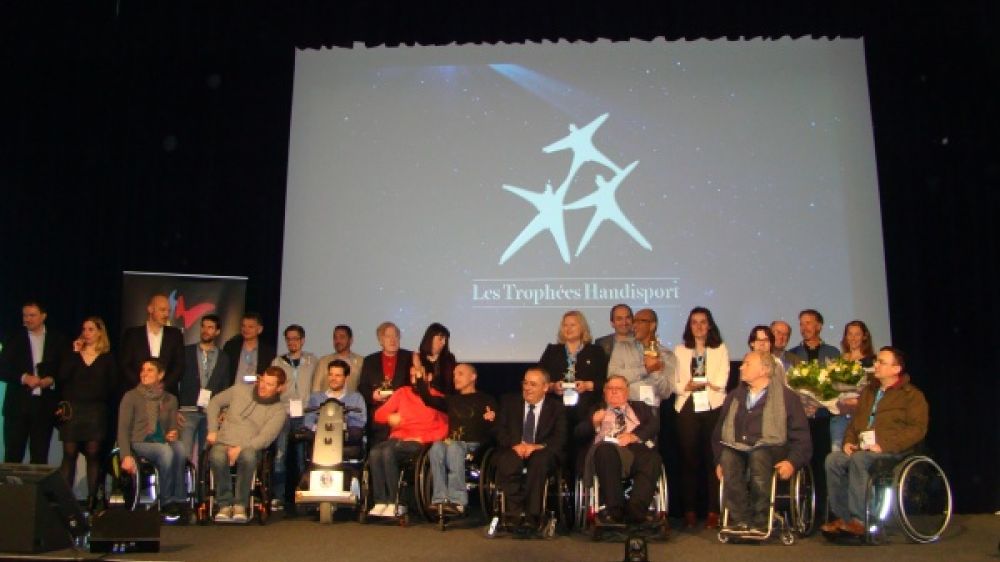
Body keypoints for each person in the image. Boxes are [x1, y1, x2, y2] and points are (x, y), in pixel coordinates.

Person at [822, 346, 928, 538]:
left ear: (896, 369)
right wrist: (848, 442)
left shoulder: (912, 396)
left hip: (893, 450)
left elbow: (917, 430)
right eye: (876, 361)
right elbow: (855, 424)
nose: (875, 365)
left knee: (860, 459)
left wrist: (884, 445)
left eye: (881, 362)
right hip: (864, 448)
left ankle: (860, 520)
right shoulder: (869, 392)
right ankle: (843, 518)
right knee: (833, 460)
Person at [712, 351, 811, 534]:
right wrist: (718, 460)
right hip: (739, 447)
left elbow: (802, 438)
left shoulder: (787, 398)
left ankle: (761, 519)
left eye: (747, 363)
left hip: (773, 449)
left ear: (764, 369)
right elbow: (718, 433)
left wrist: (792, 462)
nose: (741, 367)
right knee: (728, 457)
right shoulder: (735, 396)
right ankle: (739, 519)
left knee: (759, 454)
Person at [367, 357, 448, 518]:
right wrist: (390, 417)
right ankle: (381, 501)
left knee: (389, 451)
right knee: (375, 452)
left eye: (417, 374)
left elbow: (443, 429)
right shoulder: (402, 393)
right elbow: (378, 414)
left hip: (419, 441)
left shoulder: (437, 398)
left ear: (429, 377)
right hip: (397, 438)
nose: (414, 379)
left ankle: (397, 502)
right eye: (411, 375)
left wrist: (423, 439)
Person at [577, 375, 662, 526]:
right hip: (606, 448)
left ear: (627, 392)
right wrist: (594, 423)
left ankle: (636, 511)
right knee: (605, 451)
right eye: (610, 389)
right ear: (604, 392)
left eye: (619, 389)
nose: (614, 392)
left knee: (653, 458)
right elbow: (578, 433)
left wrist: (633, 436)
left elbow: (653, 425)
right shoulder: (595, 409)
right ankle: (615, 511)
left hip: (634, 447)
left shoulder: (640, 407)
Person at [207, 366, 288, 523]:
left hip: (249, 446)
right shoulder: (239, 390)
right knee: (216, 456)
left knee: (249, 457)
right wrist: (212, 429)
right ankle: (224, 504)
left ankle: (240, 505)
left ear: (280, 388)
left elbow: (265, 437)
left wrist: (240, 448)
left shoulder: (278, 411)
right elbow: (214, 402)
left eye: (270, 384)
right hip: (224, 441)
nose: (263, 386)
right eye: (262, 381)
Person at [673, 306, 729, 529]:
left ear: (710, 325)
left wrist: (706, 383)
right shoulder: (679, 350)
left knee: (712, 459)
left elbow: (722, 381)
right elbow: (673, 382)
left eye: (703, 322)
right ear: (689, 326)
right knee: (689, 460)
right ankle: (689, 510)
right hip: (687, 405)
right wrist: (684, 386)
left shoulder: (720, 349)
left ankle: (713, 510)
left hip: (713, 405)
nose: (698, 326)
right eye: (694, 322)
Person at [493, 366, 567, 533]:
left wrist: (537, 446)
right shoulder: (509, 403)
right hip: (514, 449)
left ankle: (532, 516)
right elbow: (499, 431)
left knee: (539, 461)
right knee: (508, 461)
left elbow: (560, 437)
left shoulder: (557, 409)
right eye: (525, 383)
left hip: (542, 452)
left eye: (533, 384)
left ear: (545, 387)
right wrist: (515, 445)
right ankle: (514, 513)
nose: (527, 388)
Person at [418, 363, 497, 514]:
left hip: (475, 445)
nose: (455, 378)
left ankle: (458, 501)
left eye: (460, 374)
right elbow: (428, 399)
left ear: (473, 377)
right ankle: (439, 498)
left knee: (454, 447)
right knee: (436, 447)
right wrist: (421, 379)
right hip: (453, 443)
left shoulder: (486, 399)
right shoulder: (451, 400)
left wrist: (491, 417)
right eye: (454, 375)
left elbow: (496, 422)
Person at [57, 316, 118, 506]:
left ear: (100, 332)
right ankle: (65, 499)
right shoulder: (73, 354)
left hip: (95, 410)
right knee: (69, 453)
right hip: (74, 409)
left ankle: (93, 498)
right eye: (84, 329)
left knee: (93, 453)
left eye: (91, 329)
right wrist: (74, 353)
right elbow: (62, 377)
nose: (86, 333)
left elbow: (113, 384)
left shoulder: (107, 357)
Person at [118, 359, 188, 518]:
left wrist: (173, 432)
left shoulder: (170, 399)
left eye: (150, 370)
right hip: (140, 442)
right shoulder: (131, 397)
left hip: (161, 439)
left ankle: (179, 498)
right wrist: (125, 455)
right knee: (165, 451)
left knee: (179, 449)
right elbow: (123, 428)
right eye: (143, 369)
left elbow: (172, 428)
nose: (144, 373)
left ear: (160, 374)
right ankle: (166, 501)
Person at [0, 301, 68, 464]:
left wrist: (51, 380)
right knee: (13, 455)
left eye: (32, 315)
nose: (27, 319)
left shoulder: (57, 339)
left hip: (43, 407)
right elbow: (2, 368)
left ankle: (36, 490)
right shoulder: (14, 338)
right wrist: (24, 378)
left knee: (40, 456)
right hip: (17, 407)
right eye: (25, 315)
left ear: (43, 317)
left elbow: (64, 368)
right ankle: (12, 489)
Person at [787, 309, 840, 515]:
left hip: (824, 416)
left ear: (819, 325)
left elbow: (837, 384)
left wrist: (821, 401)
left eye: (809, 323)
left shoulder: (832, 352)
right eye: (801, 324)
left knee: (822, 463)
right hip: (801, 419)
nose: (804, 328)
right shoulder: (792, 354)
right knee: (802, 463)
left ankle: (827, 513)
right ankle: (802, 512)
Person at [270, 324, 318, 509]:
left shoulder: (312, 361)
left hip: (305, 413)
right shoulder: (278, 362)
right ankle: (279, 496)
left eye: (295, 339)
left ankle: (301, 496)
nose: (292, 342)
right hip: (283, 412)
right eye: (288, 339)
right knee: (280, 455)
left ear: (302, 340)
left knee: (301, 457)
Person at [178, 314, 232, 461]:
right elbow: (176, 380)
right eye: (203, 326)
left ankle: (201, 484)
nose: (205, 330)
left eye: (210, 327)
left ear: (217, 332)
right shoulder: (185, 352)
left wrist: (224, 410)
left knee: (206, 456)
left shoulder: (223, 357)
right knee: (184, 454)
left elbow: (226, 386)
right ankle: (184, 484)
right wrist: (176, 408)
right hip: (187, 410)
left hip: (211, 412)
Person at [357, 322, 413, 445]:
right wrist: (373, 396)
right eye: (388, 336)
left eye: (396, 336)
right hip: (378, 419)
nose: (393, 340)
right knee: (377, 455)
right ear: (380, 340)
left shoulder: (410, 357)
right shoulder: (370, 360)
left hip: (402, 418)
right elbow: (363, 387)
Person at [119, 294, 185, 395]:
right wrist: (141, 385)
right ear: (150, 309)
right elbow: (125, 365)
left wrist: (163, 385)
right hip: (137, 395)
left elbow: (179, 365)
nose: (166, 314)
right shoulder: (132, 334)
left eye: (168, 311)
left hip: (166, 396)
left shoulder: (175, 335)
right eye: (162, 310)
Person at [609, 308, 674, 408]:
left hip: (652, 411)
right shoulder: (622, 347)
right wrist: (645, 370)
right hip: (625, 407)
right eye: (634, 321)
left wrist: (655, 372)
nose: (634, 325)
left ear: (652, 325)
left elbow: (666, 392)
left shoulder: (666, 354)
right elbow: (613, 377)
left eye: (640, 321)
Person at [830, 320, 877, 451]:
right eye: (849, 334)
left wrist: (858, 401)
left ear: (865, 336)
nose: (853, 338)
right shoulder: (839, 361)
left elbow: (874, 391)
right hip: (840, 416)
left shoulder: (873, 362)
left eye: (857, 334)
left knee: (859, 454)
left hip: (862, 416)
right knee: (837, 455)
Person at [304, 359, 366, 445]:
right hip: (320, 439)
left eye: (338, 375)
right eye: (331, 375)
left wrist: (339, 427)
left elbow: (360, 422)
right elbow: (308, 420)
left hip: (345, 440)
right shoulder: (316, 398)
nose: (333, 378)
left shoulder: (356, 398)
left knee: (356, 433)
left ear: (346, 377)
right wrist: (321, 429)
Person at [222, 312, 277, 387]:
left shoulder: (268, 352)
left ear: (260, 329)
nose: (246, 329)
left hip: (256, 394)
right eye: (243, 326)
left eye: (250, 327)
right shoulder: (231, 347)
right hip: (233, 394)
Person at [313, 325, 364, 394]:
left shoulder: (361, 362)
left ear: (350, 340)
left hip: (352, 404)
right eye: (335, 338)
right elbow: (316, 388)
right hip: (328, 403)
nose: (338, 341)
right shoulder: (323, 361)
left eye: (342, 337)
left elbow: (363, 389)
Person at [415, 322, 457, 395]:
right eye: (440, 339)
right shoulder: (418, 358)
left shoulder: (449, 358)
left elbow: (452, 384)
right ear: (430, 338)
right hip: (422, 399)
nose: (444, 343)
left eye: (445, 340)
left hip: (444, 400)